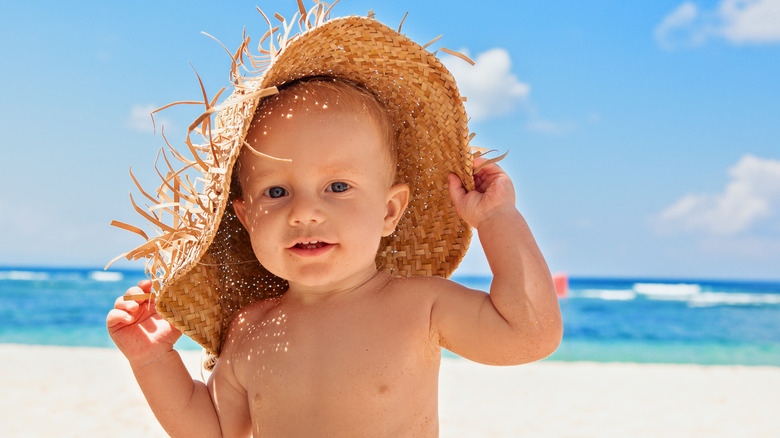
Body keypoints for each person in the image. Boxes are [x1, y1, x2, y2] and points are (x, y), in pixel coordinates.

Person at [107, 4, 562, 437]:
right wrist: (151, 360)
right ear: (246, 219)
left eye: (338, 187)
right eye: (277, 191)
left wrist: (498, 219)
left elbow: (530, 334)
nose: (304, 211)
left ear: (389, 211)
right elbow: (214, 430)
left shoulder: (421, 306)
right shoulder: (249, 329)